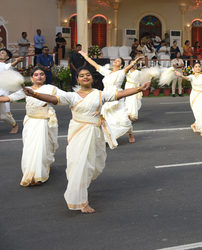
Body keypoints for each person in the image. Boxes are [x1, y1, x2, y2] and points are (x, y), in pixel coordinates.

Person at [24, 66, 149, 213]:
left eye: (88, 75)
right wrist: (35, 94)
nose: (85, 77)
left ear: (92, 78)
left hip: (94, 134)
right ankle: (80, 201)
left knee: (91, 165)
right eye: (81, 75)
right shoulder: (72, 96)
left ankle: (79, 192)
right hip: (78, 134)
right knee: (78, 165)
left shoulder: (100, 94)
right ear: (77, 79)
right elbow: (54, 99)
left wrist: (139, 88)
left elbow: (119, 94)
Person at [0, 67, 65, 186]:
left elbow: (67, 97)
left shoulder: (51, 89)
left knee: (42, 147)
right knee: (30, 148)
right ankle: (29, 173)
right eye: (36, 74)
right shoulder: (26, 90)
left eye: (41, 74)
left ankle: (39, 175)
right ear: (31, 77)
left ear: (45, 76)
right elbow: (8, 98)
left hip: (44, 122)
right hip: (30, 122)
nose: (39, 76)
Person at [80, 52, 142, 143]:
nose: (115, 61)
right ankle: (106, 137)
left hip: (117, 96)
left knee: (124, 119)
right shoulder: (107, 72)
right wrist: (85, 56)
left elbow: (127, 68)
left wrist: (134, 62)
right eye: (115, 60)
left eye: (118, 61)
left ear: (121, 65)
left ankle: (130, 133)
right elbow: (95, 65)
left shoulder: (121, 73)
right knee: (106, 118)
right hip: (106, 97)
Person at [0, 48, 24, 134]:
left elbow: (11, 65)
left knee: (4, 116)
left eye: (2, 53)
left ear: (6, 57)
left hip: (2, 93)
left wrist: (17, 61)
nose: (0, 53)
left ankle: (14, 125)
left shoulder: (5, 66)